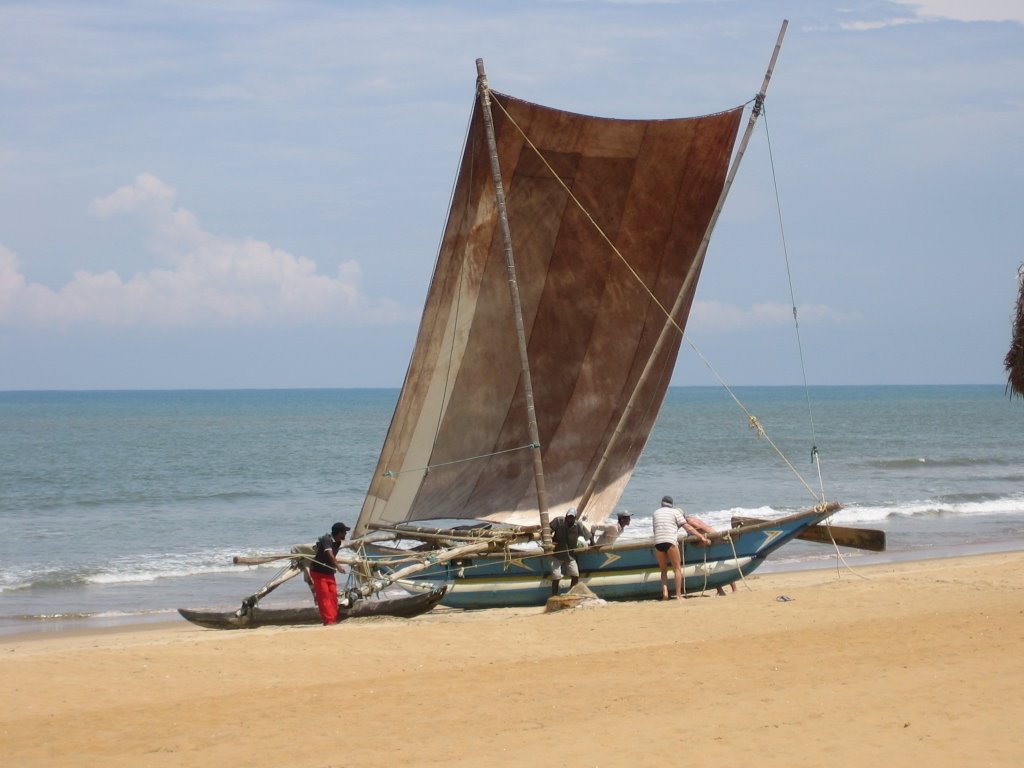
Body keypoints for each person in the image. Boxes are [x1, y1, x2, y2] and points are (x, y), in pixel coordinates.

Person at [652, 495, 703, 600]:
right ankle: (678, 595)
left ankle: (665, 594)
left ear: (661, 504)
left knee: (663, 571)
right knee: (677, 569)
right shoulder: (676, 512)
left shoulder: (655, 513)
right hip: (670, 542)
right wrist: (701, 536)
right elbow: (687, 527)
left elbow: (655, 530)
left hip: (658, 543)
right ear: (672, 505)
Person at [683, 513, 737, 595]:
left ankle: (731, 589)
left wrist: (710, 537)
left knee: (716, 565)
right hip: (709, 538)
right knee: (713, 566)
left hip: (710, 539)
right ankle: (721, 590)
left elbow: (702, 528)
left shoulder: (689, 521)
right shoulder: (690, 519)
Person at [309, 522, 349, 625]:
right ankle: (328, 621)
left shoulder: (338, 542)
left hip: (329, 572)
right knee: (324, 596)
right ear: (340, 532)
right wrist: (339, 567)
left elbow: (331, 557)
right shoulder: (326, 539)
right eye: (345, 532)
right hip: (318, 572)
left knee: (333, 595)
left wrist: (334, 567)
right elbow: (330, 555)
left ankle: (333, 618)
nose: (346, 534)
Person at [548, 507, 589, 596]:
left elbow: (588, 535)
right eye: (568, 516)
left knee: (575, 575)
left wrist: (593, 544)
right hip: (557, 554)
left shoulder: (578, 525)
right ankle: (554, 596)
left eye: (572, 517)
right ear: (566, 516)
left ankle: (571, 594)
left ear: (575, 518)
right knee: (556, 577)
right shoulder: (558, 521)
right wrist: (550, 541)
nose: (569, 519)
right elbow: (548, 530)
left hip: (570, 556)